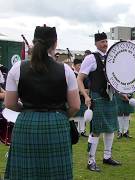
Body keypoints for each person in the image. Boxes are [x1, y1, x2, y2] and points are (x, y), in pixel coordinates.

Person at [4, 25, 80, 179]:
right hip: (57, 125)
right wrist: (61, 116)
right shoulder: (66, 70)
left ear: (33, 42)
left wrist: (25, 109)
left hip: (26, 124)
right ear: (55, 43)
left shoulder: (17, 68)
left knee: (25, 174)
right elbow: (75, 106)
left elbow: (10, 104)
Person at [77, 32, 121, 172]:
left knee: (110, 128)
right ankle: (91, 160)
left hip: (110, 97)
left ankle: (107, 157)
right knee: (96, 130)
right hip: (97, 97)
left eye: (106, 41)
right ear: (96, 43)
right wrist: (85, 95)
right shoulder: (91, 58)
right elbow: (79, 79)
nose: (105, 44)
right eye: (102, 41)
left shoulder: (111, 57)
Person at [70, 58, 89, 137]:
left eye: (81, 65)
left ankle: (82, 130)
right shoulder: (72, 75)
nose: (80, 67)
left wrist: (83, 91)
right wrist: (80, 91)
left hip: (83, 98)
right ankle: (77, 131)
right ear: (74, 65)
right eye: (78, 65)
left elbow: (88, 88)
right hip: (75, 98)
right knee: (76, 115)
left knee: (82, 115)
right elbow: (71, 88)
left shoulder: (84, 76)